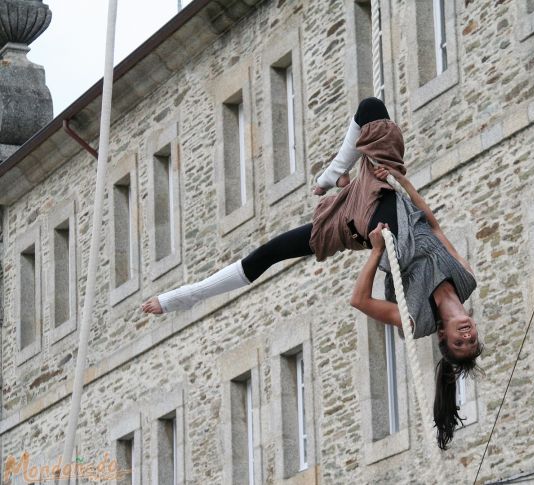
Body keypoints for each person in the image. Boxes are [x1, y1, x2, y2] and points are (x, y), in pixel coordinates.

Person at [141, 97, 482, 450]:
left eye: (460, 343)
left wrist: (377, 250)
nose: (467, 335)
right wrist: (401, 181)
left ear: (442, 335)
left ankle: (180, 298)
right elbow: (434, 225)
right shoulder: (465, 279)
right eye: (472, 340)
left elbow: (359, 299)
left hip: (353, 223)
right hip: (385, 187)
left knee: (270, 253)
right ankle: (337, 175)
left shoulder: (416, 321)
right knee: (371, 110)